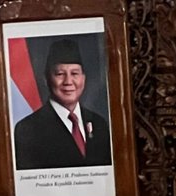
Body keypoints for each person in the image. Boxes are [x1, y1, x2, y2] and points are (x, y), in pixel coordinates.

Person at [12, 38, 114, 171]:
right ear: (46, 79)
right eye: (60, 74)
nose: (68, 81)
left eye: (75, 73)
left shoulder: (99, 124)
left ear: (83, 78)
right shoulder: (27, 129)